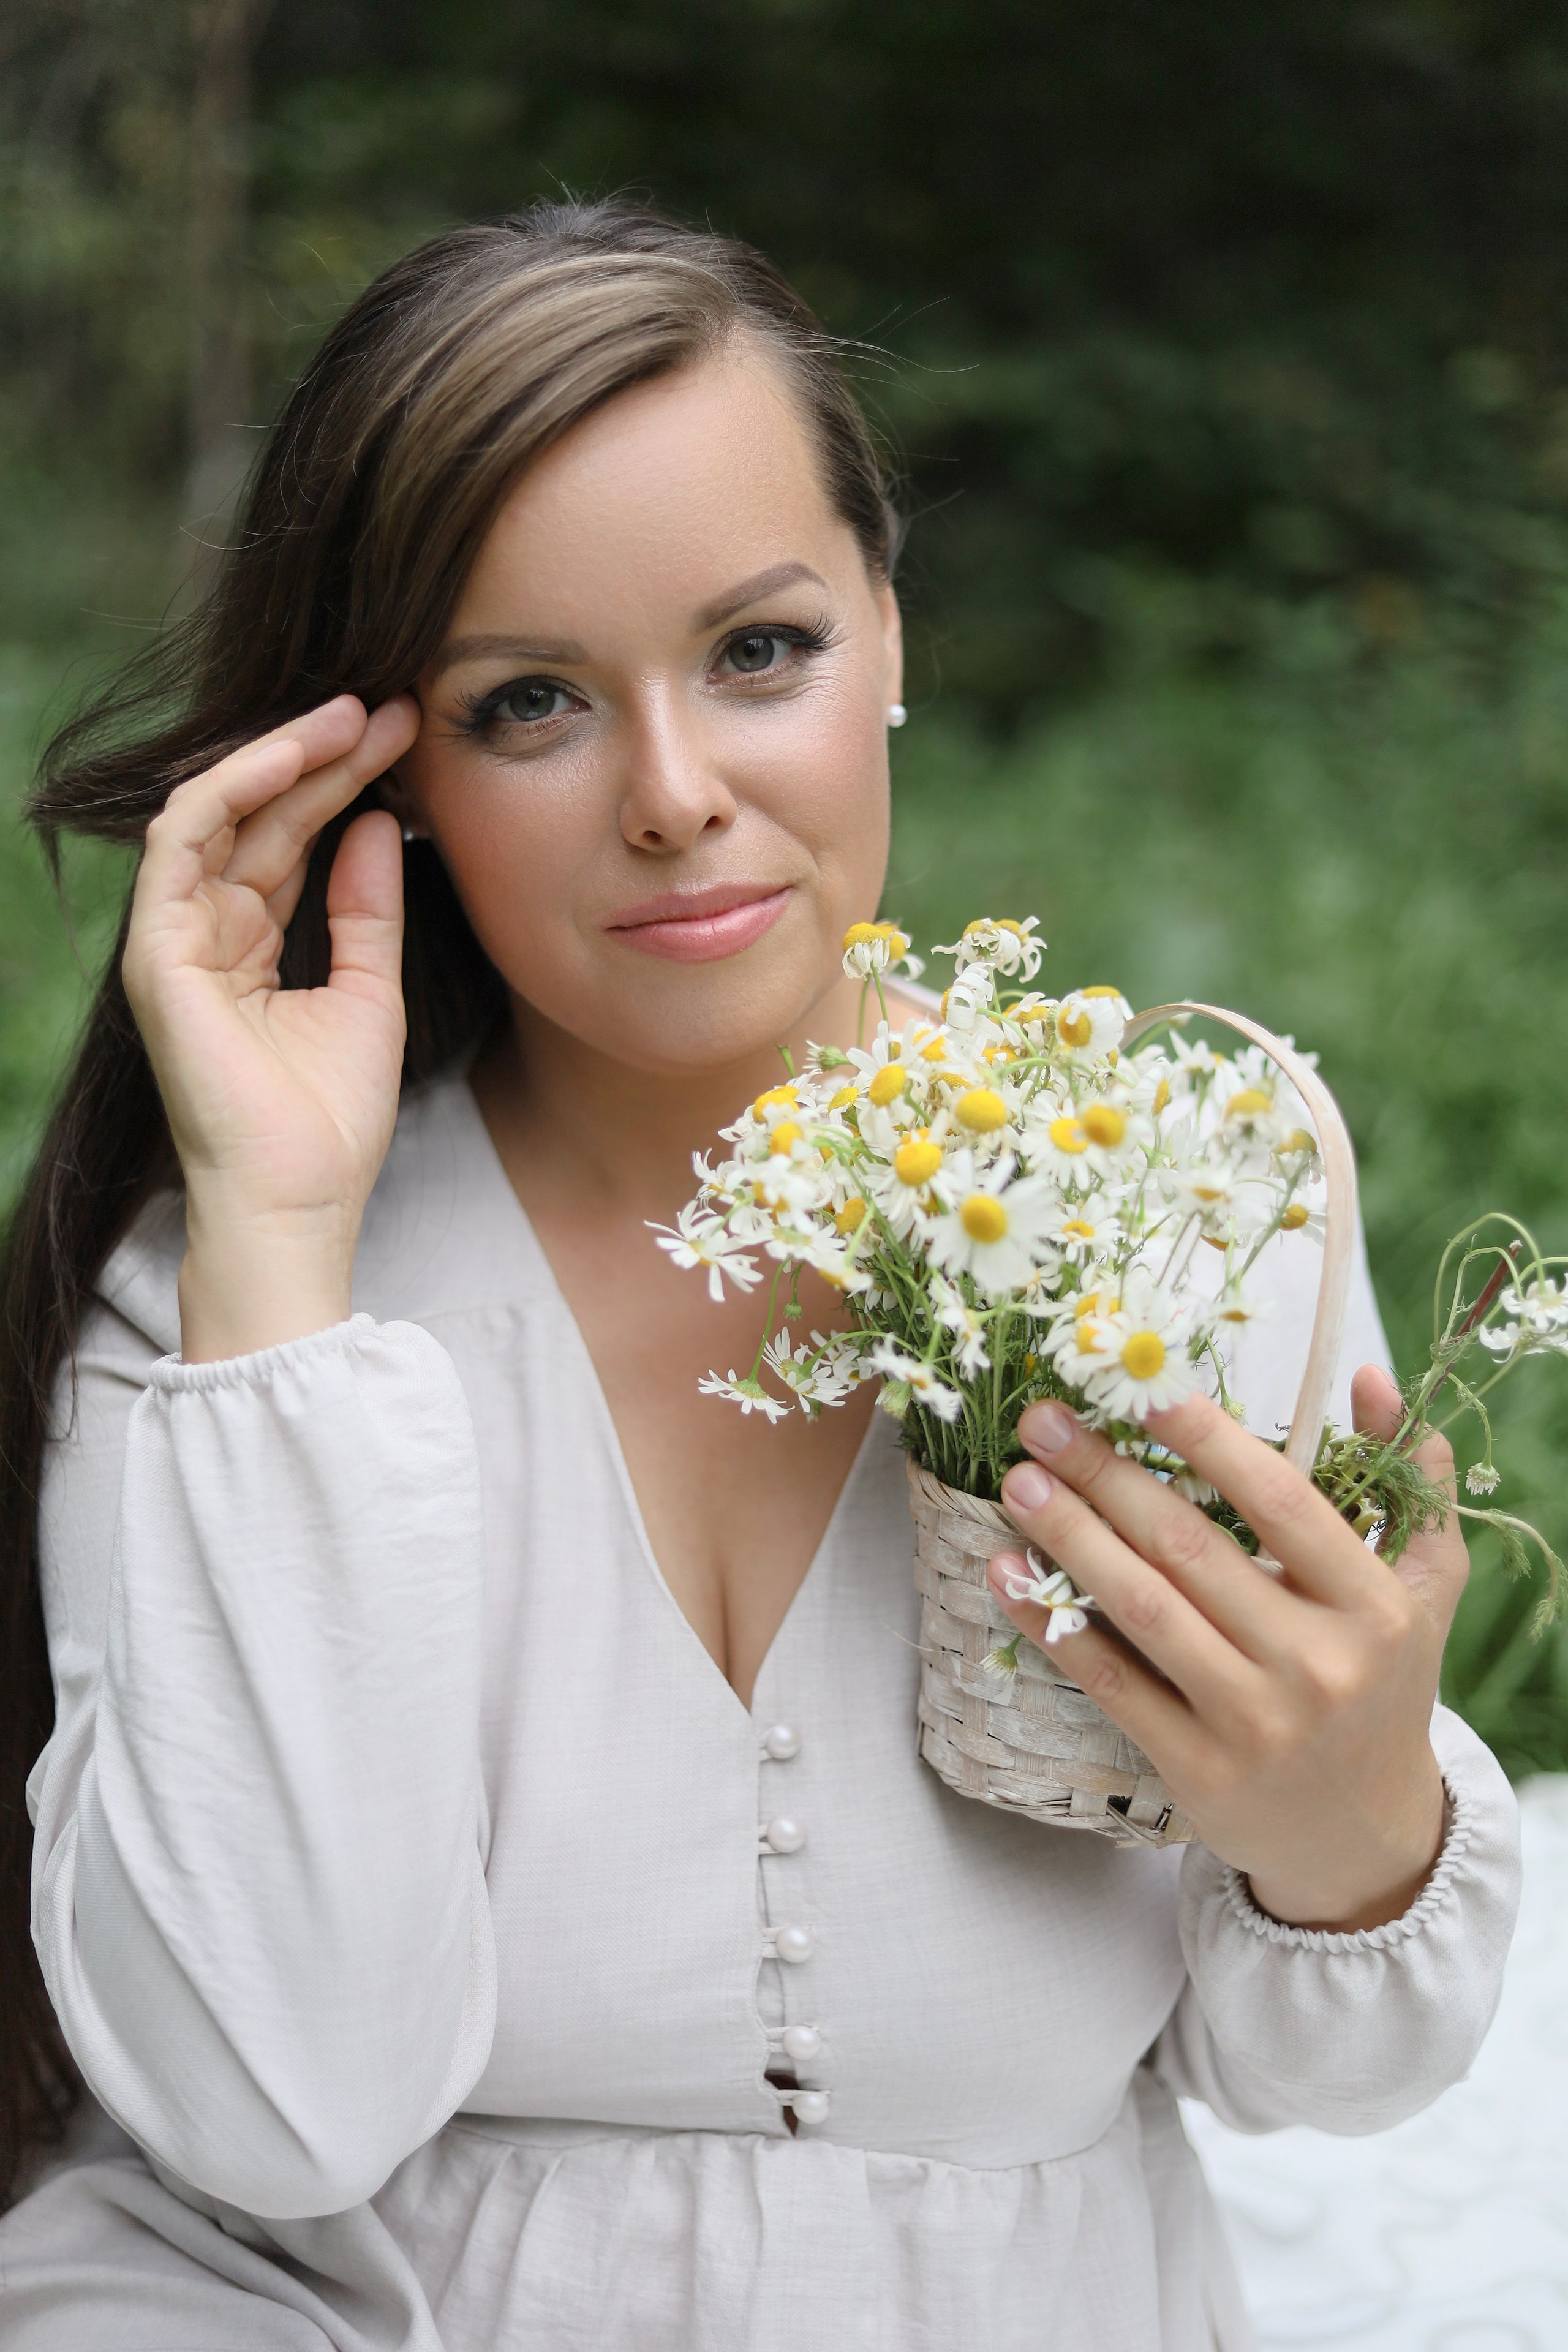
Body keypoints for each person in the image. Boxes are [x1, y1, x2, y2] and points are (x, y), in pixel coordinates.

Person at [0, 202, 1520, 2352]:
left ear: (890, 632)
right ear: (384, 767)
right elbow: (274, 2120)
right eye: (530, 702)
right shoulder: (226, 1296)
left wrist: (1355, 1834)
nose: (678, 797)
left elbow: (1320, 2074)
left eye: (761, 651)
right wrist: (272, 1236)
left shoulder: (1184, 1203)